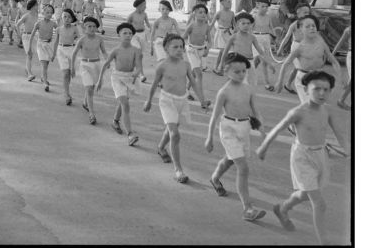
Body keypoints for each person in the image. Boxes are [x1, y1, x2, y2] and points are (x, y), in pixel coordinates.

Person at [256, 70, 350, 244]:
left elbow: (340, 133)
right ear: (306, 89)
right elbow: (277, 129)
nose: (322, 93)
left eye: (326, 89)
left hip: (321, 155)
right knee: (319, 203)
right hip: (302, 157)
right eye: (317, 89)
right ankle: (324, 242)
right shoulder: (298, 112)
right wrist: (263, 146)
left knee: (305, 194)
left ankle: (283, 208)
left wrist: (349, 150)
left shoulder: (327, 110)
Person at [205, 53, 267, 222]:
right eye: (237, 71)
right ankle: (247, 209)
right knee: (243, 167)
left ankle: (215, 178)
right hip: (228, 129)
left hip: (244, 127)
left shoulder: (248, 89)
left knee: (231, 159)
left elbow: (255, 110)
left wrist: (262, 128)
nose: (241, 74)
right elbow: (215, 116)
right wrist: (209, 137)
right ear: (226, 71)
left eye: (243, 71)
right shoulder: (223, 92)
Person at [144, 34, 207, 183]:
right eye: (175, 47)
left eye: (181, 46)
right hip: (167, 101)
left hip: (182, 101)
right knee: (175, 134)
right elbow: (154, 85)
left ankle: (160, 147)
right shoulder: (162, 66)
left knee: (172, 129)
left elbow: (194, 82)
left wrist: (202, 101)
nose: (179, 50)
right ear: (166, 48)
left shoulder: (185, 65)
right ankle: (178, 170)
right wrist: (148, 101)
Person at [275, 15, 342, 103]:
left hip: (319, 77)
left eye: (313, 26)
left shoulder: (321, 43)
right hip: (304, 79)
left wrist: (341, 79)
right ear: (301, 30)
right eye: (307, 26)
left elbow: (334, 61)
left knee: (318, 107)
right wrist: (280, 82)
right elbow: (285, 64)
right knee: (310, 106)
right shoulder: (299, 48)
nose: (312, 28)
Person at [96, 23, 143, 146]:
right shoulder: (116, 51)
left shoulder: (136, 51)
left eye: (130, 33)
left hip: (129, 78)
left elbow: (139, 67)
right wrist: (99, 80)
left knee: (122, 102)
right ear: (119, 35)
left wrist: (136, 74)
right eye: (124, 33)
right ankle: (130, 134)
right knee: (125, 104)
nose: (127, 35)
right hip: (117, 77)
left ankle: (115, 121)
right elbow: (106, 65)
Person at [71, 17, 107, 125]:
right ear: (84, 27)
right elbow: (74, 53)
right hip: (85, 65)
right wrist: (72, 67)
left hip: (96, 65)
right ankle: (91, 114)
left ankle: (85, 102)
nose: (92, 28)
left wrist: (108, 60)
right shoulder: (81, 40)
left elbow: (104, 52)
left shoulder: (99, 39)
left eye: (94, 26)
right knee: (89, 88)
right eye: (89, 26)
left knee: (92, 86)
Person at [218, 12, 270, 87]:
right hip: (237, 63)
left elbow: (261, 52)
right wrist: (221, 65)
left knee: (251, 85)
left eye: (248, 23)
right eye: (243, 23)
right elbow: (225, 53)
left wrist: (269, 63)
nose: (246, 26)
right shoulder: (233, 37)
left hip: (250, 63)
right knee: (239, 85)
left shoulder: (252, 37)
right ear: (237, 24)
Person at [277, 2, 312, 94]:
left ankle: (288, 84)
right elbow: (287, 37)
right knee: (302, 68)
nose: (307, 14)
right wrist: (280, 48)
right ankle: (305, 88)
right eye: (305, 12)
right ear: (298, 13)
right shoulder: (294, 25)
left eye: (308, 12)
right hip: (296, 47)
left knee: (297, 68)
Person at [182, 4, 212, 105]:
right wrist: (180, 48)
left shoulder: (207, 26)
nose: (203, 14)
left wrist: (207, 49)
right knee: (199, 74)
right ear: (194, 14)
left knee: (194, 73)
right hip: (191, 50)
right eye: (200, 12)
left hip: (201, 51)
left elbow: (210, 40)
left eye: (204, 12)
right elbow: (184, 37)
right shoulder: (191, 25)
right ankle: (202, 100)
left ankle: (185, 90)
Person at [51, 9, 80, 105]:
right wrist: (53, 54)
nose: (67, 19)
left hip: (71, 50)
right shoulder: (59, 29)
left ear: (72, 18)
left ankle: (66, 90)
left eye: (69, 17)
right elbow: (55, 42)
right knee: (65, 73)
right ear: (62, 18)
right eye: (65, 17)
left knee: (70, 73)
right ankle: (67, 94)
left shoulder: (74, 28)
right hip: (61, 50)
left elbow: (79, 38)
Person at [251, 0, 278, 91]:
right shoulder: (254, 16)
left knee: (259, 61)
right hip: (256, 38)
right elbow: (249, 29)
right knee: (263, 58)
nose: (265, 8)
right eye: (263, 6)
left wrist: (275, 38)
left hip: (266, 38)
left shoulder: (268, 17)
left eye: (266, 7)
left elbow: (271, 28)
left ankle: (250, 73)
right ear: (258, 6)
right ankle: (267, 82)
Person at [30, 4, 58, 92]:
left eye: (51, 13)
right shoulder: (38, 23)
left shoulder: (53, 23)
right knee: (44, 65)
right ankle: (45, 82)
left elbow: (61, 31)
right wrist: (29, 48)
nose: (49, 14)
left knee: (47, 63)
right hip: (40, 45)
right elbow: (32, 35)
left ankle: (43, 77)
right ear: (43, 13)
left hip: (49, 45)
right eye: (47, 12)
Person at [127, 0, 151, 82]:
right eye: (144, 5)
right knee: (138, 53)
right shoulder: (131, 15)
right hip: (134, 36)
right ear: (139, 6)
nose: (145, 7)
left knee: (140, 55)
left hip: (142, 35)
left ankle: (132, 68)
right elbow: (127, 26)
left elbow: (148, 24)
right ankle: (141, 74)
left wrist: (152, 30)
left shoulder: (144, 14)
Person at [211, 0, 235, 76]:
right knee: (223, 51)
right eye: (228, 1)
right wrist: (207, 34)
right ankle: (221, 68)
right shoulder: (219, 13)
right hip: (220, 33)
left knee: (222, 53)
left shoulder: (232, 13)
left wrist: (234, 32)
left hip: (228, 34)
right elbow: (211, 24)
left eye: (231, 1)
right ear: (222, 3)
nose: (230, 3)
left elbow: (234, 25)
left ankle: (216, 67)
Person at [16, 0, 39, 81]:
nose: (38, 6)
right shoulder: (26, 15)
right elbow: (17, 24)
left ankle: (27, 69)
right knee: (29, 54)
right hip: (26, 36)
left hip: (33, 36)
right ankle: (29, 73)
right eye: (36, 5)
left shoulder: (36, 15)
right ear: (33, 6)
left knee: (31, 55)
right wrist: (19, 35)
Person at [332, 23, 351, 110]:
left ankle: (345, 89)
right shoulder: (348, 30)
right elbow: (340, 43)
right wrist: (331, 55)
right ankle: (341, 100)